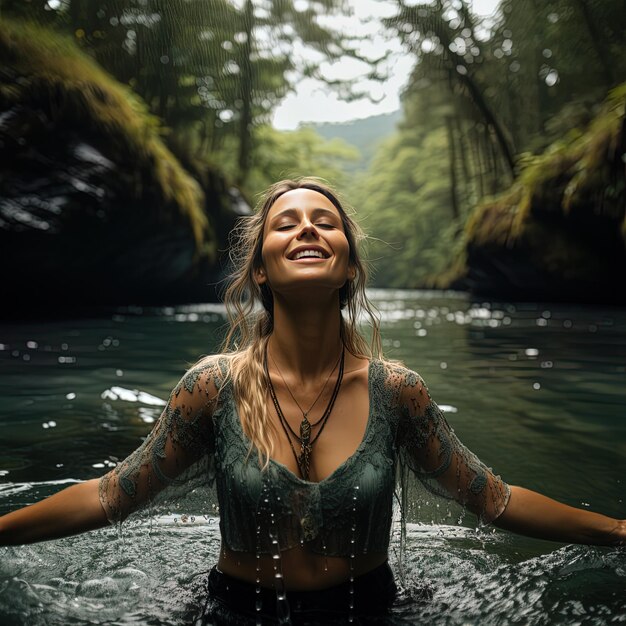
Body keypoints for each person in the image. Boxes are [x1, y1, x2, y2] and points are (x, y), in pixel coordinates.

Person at [0, 177, 624, 625]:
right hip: (231, 612)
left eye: (326, 222)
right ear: (261, 271)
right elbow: (113, 493)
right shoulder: (210, 387)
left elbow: (495, 498)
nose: (307, 227)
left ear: (350, 266)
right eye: (286, 221)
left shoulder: (397, 392)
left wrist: (619, 531)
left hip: (375, 610)